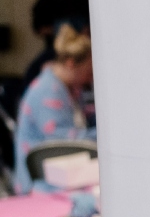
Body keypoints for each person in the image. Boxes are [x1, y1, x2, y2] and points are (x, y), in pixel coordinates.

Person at [12, 26, 96, 187]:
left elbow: (85, 117)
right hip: (42, 181)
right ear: (71, 64)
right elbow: (63, 138)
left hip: (64, 171)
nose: (90, 79)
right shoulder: (48, 92)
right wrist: (104, 137)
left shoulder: (70, 88)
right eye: (89, 72)